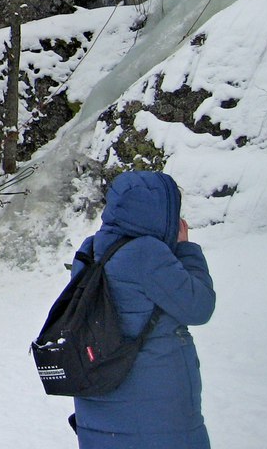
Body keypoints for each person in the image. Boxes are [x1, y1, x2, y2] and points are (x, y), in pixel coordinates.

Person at [69, 170, 215, 448]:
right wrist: (186, 249)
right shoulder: (146, 253)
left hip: (98, 405)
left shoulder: (89, 250)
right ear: (162, 212)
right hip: (157, 416)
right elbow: (200, 307)